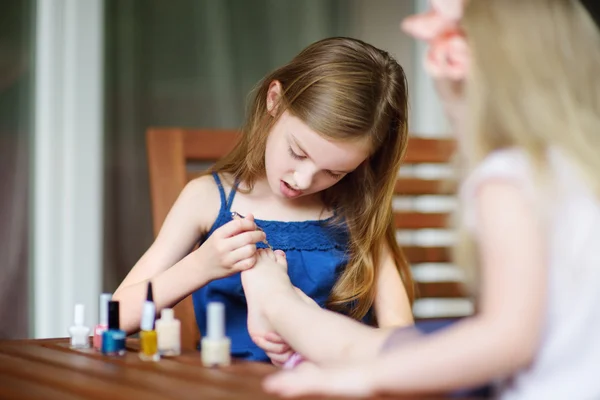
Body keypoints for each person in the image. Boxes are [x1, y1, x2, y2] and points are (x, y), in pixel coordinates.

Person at [240, 0, 600, 397]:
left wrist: (360, 378)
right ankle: (280, 304)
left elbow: (508, 338)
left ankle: (277, 302)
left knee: (385, 350)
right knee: (398, 345)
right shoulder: (577, 171)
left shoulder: (510, 178)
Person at [112, 37, 415, 363]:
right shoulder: (208, 199)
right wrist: (200, 266)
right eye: (297, 152)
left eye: (334, 172)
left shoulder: (357, 210)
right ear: (275, 100)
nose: (302, 180)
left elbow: (401, 339)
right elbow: (115, 316)